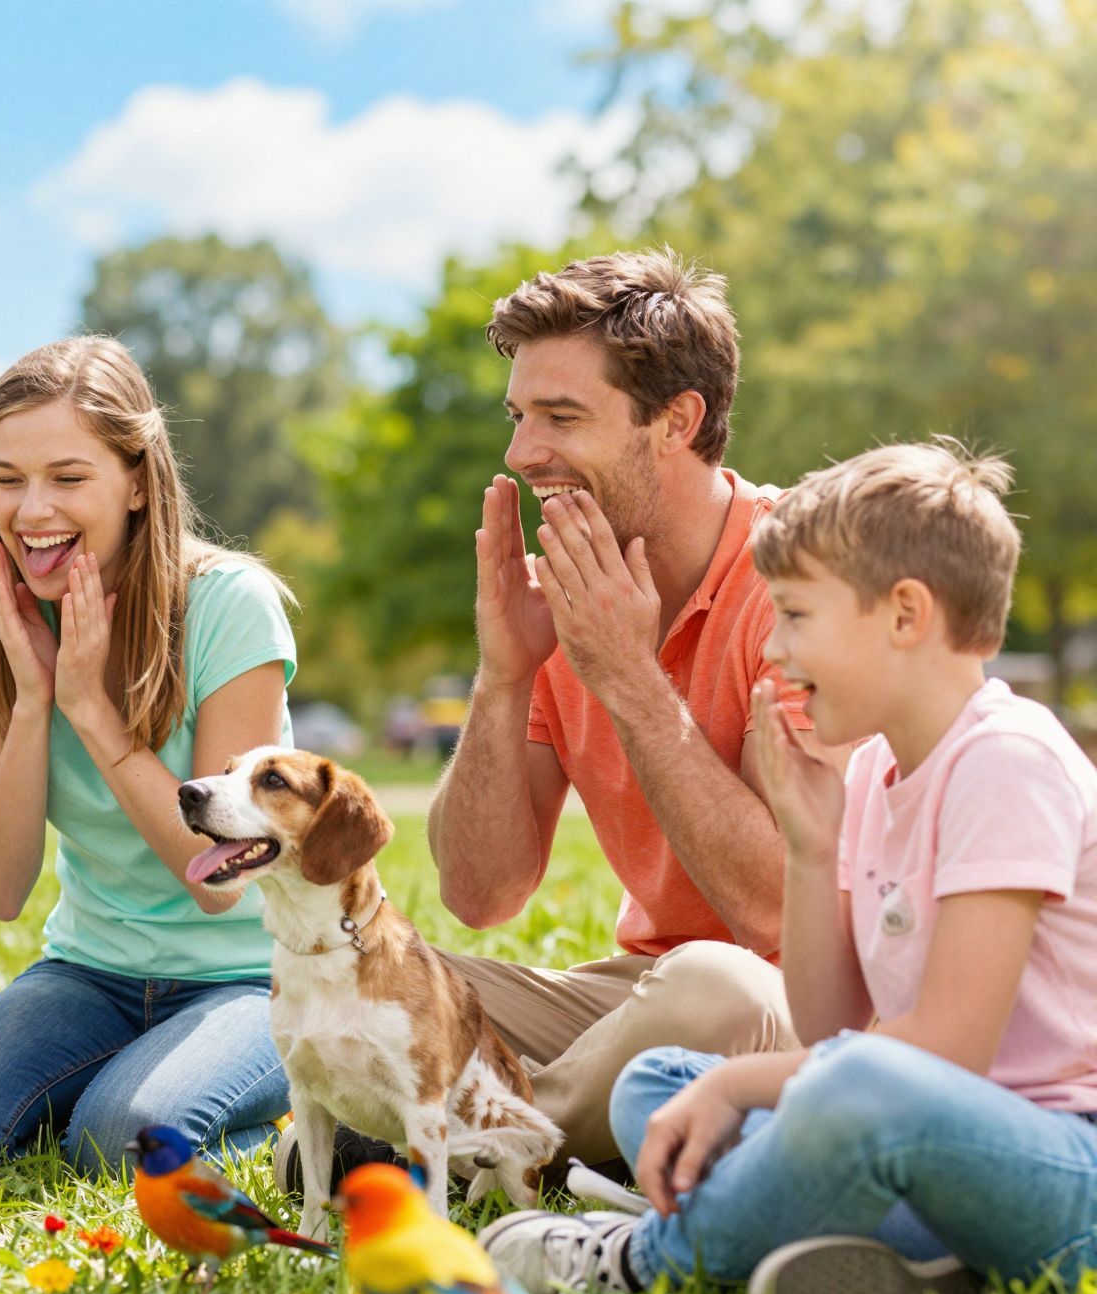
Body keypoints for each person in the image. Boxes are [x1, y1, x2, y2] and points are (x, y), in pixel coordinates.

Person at [480, 442, 1097, 1294]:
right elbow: (829, 1030)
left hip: (1058, 1166)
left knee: (831, 1089)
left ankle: (647, 1254)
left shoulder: (1005, 761)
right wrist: (813, 853)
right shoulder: (883, 765)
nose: (776, 646)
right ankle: (936, 1278)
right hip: (920, 1152)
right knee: (659, 1086)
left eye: (799, 616)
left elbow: (944, 1059)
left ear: (905, 616)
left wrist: (741, 1082)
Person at [286, 249, 814, 1192]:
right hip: (639, 999)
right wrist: (503, 676)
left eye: (562, 418)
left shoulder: (803, 589)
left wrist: (629, 679)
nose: (522, 453)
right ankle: (500, 1125)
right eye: (519, 416)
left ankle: (476, 1143)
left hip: (810, 1001)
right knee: (386, 970)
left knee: (716, 987)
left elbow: (780, 911)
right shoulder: (565, 596)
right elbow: (482, 894)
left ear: (678, 422)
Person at [0, 336, 297, 1174]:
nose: (32, 510)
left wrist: (89, 710)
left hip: (252, 979)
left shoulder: (229, 606)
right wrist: (34, 698)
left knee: (122, 1139)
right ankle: (139, 1081)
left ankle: (292, 1118)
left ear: (139, 483)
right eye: (8, 479)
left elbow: (217, 877)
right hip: (91, 972)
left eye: (68, 478)